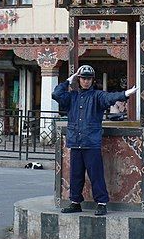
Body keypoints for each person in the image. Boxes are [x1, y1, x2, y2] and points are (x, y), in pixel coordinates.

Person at [52, 64, 137, 216]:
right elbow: (56, 95)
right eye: (83, 78)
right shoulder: (72, 96)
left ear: (92, 80)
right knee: (76, 175)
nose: (86, 81)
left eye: (88, 79)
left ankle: (102, 203)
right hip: (76, 141)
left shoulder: (97, 96)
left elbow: (109, 98)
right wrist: (67, 81)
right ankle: (75, 202)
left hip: (91, 142)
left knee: (96, 174)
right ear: (79, 80)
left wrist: (125, 94)